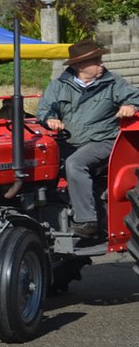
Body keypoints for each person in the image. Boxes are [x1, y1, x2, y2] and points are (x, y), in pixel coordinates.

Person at [36, 40, 139, 239]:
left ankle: (87, 220)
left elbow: (135, 97)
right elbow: (45, 109)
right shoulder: (59, 85)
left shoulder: (112, 82)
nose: (101, 64)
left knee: (75, 163)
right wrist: (50, 118)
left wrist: (131, 107)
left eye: (100, 59)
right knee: (41, 162)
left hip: (103, 141)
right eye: (96, 61)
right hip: (68, 142)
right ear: (79, 65)